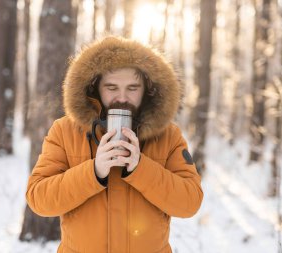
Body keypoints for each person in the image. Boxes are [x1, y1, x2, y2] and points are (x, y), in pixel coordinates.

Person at [26, 36, 203, 253]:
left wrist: (141, 168)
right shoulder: (64, 131)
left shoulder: (168, 136)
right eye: (111, 87)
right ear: (94, 88)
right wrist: (93, 172)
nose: (122, 97)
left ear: (147, 89)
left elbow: (189, 202)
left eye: (132, 88)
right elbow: (39, 198)